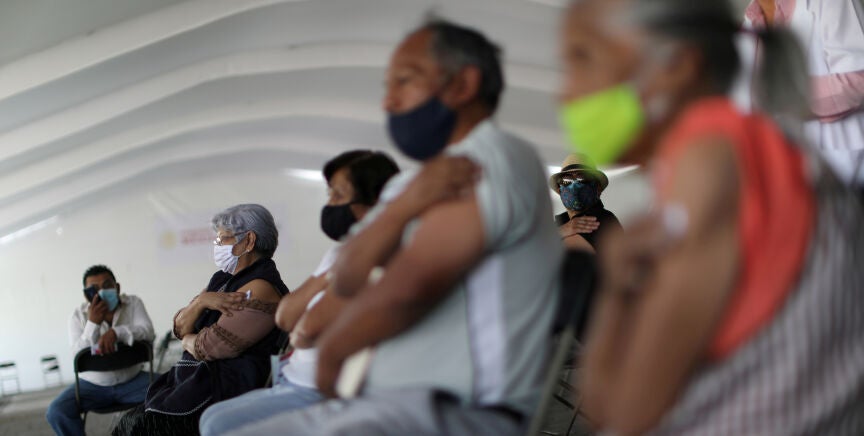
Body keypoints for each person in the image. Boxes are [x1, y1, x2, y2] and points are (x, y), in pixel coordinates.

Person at [221, 18, 562, 436]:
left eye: (405, 80)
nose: (389, 100)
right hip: (389, 403)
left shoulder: (490, 158)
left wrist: (335, 349)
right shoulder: (414, 185)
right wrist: (403, 208)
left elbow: (408, 288)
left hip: (454, 408)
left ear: (463, 84)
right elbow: (350, 274)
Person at [558, 0, 864, 434]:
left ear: (677, 65)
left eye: (583, 58)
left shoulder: (710, 166)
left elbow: (622, 409)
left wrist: (615, 287)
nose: (564, 93)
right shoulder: (758, 153)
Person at [198, 150, 400, 436]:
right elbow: (287, 315)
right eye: (329, 194)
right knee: (211, 418)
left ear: (376, 200)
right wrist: (331, 276)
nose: (330, 204)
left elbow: (304, 330)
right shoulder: (339, 253)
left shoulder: (389, 256)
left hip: (325, 389)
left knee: (216, 424)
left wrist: (191, 329)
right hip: (293, 378)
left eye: (339, 195)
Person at [113, 204, 290, 436]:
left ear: (249, 241)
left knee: (140, 428)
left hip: (228, 390)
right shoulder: (222, 279)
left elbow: (209, 347)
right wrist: (201, 302)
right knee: (131, 422)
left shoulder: (261, 287)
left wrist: (188, 338)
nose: (217, 246)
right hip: (200, 379)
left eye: (223, 239)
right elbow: (179, 326)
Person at [737, 0, 864, 188]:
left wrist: (787, 99)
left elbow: (857, 81)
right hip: (788, 175)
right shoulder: (750, 19)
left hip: (846, 171)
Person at [46, 265, 155, 436]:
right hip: (91, 387)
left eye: (107, 285)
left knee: (176, 391)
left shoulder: (133, 304)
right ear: (86, 295)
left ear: (117, 287)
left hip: (134, 381)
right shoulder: (77, 316)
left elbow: (148, 332)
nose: (101, 292)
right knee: (57, 411)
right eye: (94, 289)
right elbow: (76, 355)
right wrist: (93, 324)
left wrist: (117, 332)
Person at [550, 153, 622, 249]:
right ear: (559, 190)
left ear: (598, 188)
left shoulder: (602, 221)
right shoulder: (561, 222)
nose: (574, 185)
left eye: (583, 179)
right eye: (566, 180)